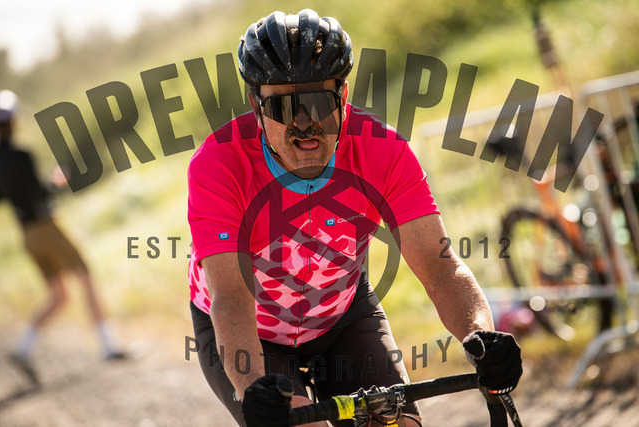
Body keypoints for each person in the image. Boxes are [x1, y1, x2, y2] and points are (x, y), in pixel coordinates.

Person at [187, 9, 522, 427]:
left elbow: (439, 267)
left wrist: (480, 335)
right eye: (283, 107)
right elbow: (232, 298)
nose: (304, 124)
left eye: (318, 103)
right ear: (256, 105)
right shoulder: (218, 165)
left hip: (341, 313)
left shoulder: (382, 150)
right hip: (253, 330)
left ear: (342, 96)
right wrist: (253, 384)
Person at [0, 89, 125, 386]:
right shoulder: (21, 155)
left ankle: (23, 348)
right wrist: (55, 182)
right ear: (13, 122)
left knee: (59, 295)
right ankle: (109, 347)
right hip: (46, 227)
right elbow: (38, 193)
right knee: (85, 276)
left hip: (27, 236)